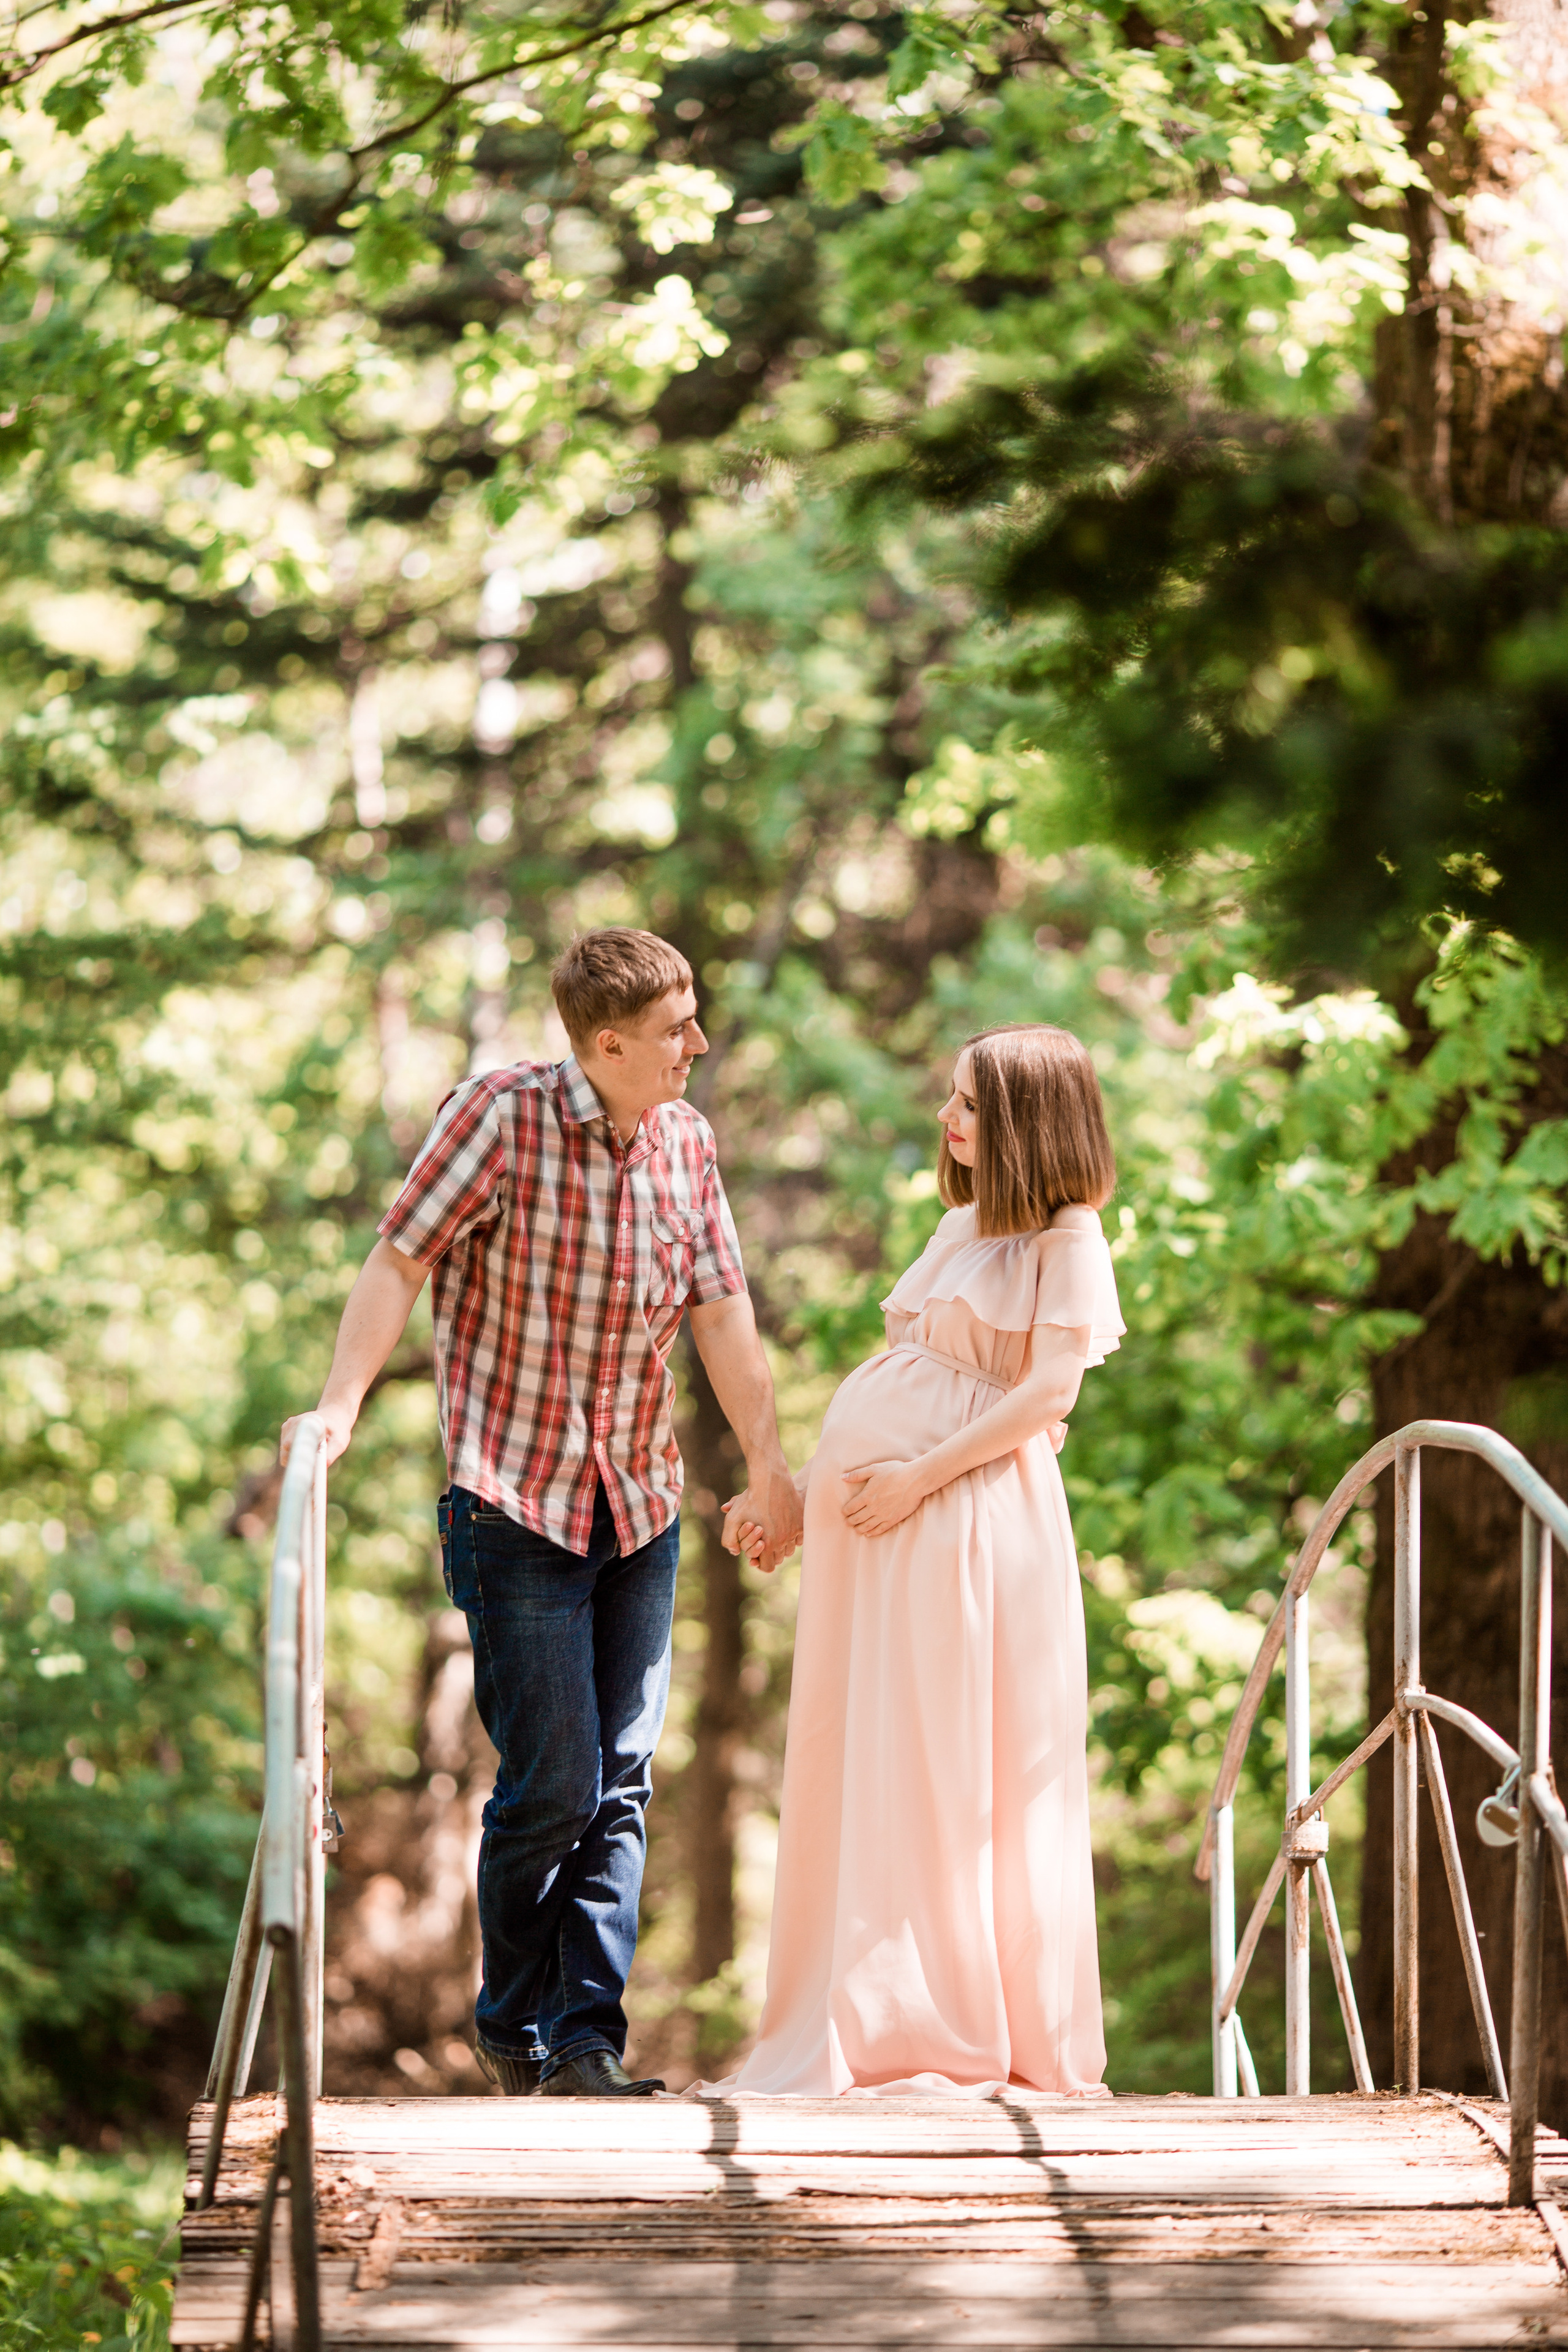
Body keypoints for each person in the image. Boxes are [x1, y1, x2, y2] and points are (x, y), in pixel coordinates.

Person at [280, 929, 802, 2097]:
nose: (699, 1047)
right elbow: (399, 1260)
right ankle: (513, 2024)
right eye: (678, 1031)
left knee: (622, 1784)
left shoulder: (687, 1143)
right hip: (514, 1502)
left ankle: (584, 2046)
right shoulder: (497, 1119)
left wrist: (770, 1468)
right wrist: (337, 1408)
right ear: (606, 1043)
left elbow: (723, 1312)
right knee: (555, 1783)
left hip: (640, 1503)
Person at [722, 1023, 1123, 2096]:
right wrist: (805, 1497)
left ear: (1033, 1122)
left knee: (947, 1757)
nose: (947, 1121)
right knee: (875, 1751)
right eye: (951, 1098)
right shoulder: (962, 1227)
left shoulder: (1068, 1242)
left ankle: (943, 2024)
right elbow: (906, 1374)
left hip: (965, 1525)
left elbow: (1048, 1397)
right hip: (885, 1530)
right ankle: (863, 2011)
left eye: (972, 1105)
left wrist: (914, 1480)